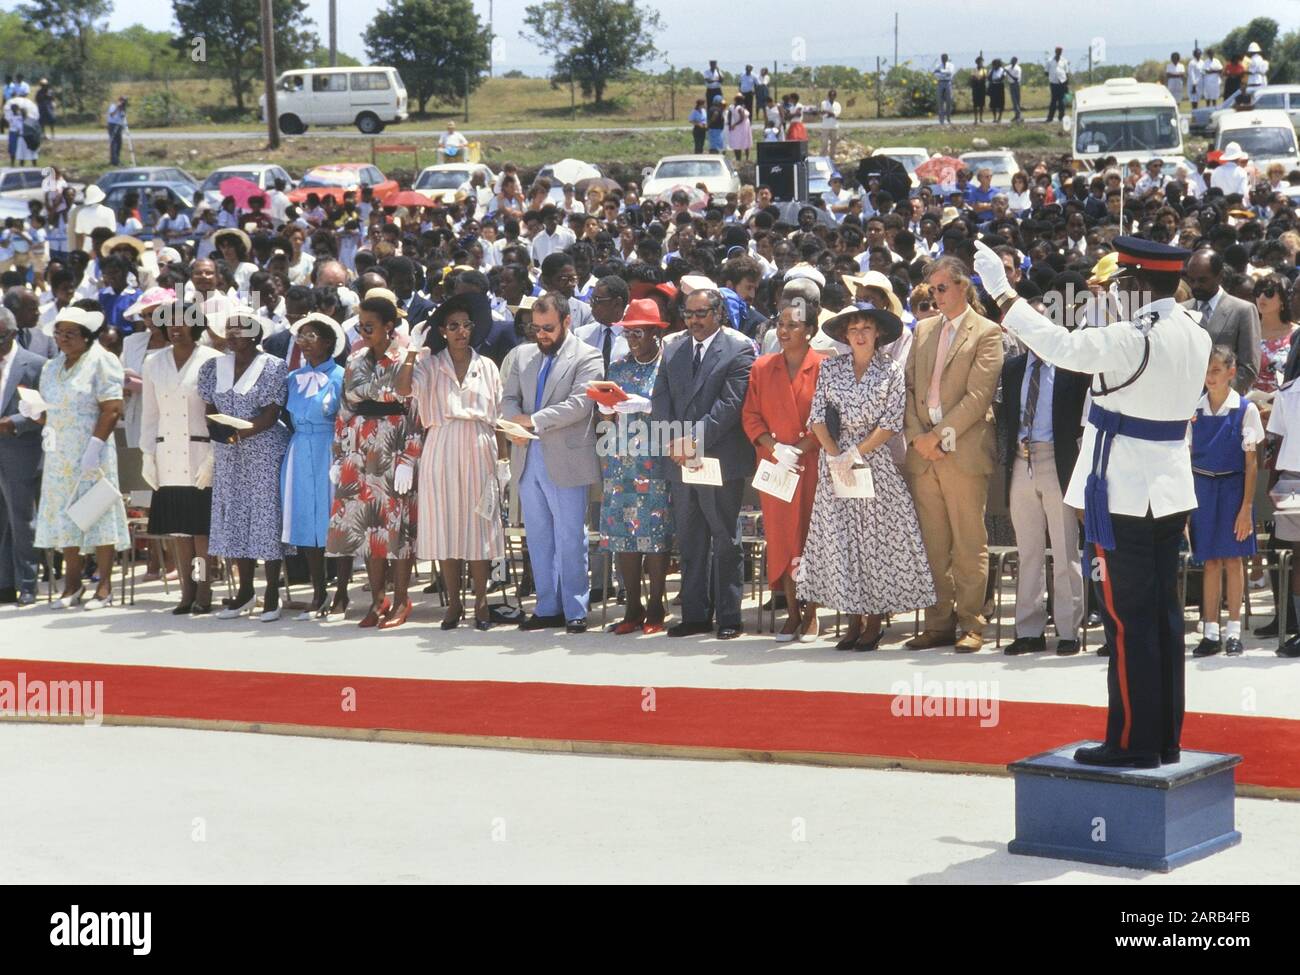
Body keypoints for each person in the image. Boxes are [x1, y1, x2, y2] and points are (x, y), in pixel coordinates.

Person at [975, 236, 1212, 768]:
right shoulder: (1192, 329)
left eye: (1116, 285)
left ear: (1133, 285)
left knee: (1126, 622)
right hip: (1169, 488)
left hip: (1124, 491)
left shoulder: (1131, 337)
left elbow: (1057, 346)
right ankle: (1163, 736)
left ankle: (1131, 742)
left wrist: (1000, 291)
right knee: (1162, 617)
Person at [798, 305, 934, 650]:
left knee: (874, 543)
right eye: (854, 329)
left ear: (878, 334)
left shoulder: (891, 371)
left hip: (873, 459)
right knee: (843, 540)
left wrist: (854, 454)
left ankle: (874, 620)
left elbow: (890, 424)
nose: (860, 334)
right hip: (836, 460)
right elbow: (816, 417)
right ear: (845, 335)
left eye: (866, 328)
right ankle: (852, 618)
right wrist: (834, 455)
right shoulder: (830, 369)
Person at [902, 257, 1004, 652]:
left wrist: (938, 438)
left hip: (961, 450)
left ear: (964, 286)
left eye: (942, 288)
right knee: (933, 544)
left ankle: (971, 622)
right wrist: (917, 437)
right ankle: (938, 622)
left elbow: (978, 397)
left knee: (967, 543)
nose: (935, 296)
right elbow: (909, 390)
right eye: (931, 290)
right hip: (924, 453)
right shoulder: (923, 329)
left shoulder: (988, 333)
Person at [651, 287, 756, 640]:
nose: (694, 321)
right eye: (689, 314)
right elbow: (661, 397)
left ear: (719, 313)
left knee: (724, 537)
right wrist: (671, 439)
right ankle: (695, 614)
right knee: (691, 538)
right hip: (681, 459)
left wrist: (691, 440)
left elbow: (729, 406)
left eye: (701, 313)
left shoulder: (739, 348)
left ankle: (729, 615)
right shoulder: (673, 347)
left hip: (719, 457)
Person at [500, 292, 603, 633]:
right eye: (536, 327)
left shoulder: (588, 355)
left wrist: (530, 421)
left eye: (548, 328)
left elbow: (580, 404)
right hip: (527, 458)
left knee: (571, 536)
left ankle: (575, 609)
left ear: (567, 322)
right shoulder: (522, 355)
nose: (541, 334)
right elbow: (508, 398)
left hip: (566, 458)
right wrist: (513, 422)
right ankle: (547, 607)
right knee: (540, 536)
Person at [326, 289, 422, 629]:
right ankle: (377, 597)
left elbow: (415, 411)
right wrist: (338, 456)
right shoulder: (354, 361)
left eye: (369, 326)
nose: (363, 333)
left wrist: (410, 459)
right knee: (369, 528)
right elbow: (345, 409)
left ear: (389, 326)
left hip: (395, 448)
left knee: (397, 529)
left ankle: (401, 599)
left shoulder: (407, 359)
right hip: (360, 450)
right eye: (360, 327)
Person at [411, 293, 506, 631]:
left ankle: (481, 601)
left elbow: (498, 419)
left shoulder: (488, 366)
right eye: (453, 326)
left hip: (479, 444)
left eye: (466, 325)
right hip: (442, 442)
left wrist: (503, 463)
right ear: (442, 330)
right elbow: (400, 388)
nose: (461, 332)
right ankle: (453, 603)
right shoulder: (429, 365)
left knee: (479, 523)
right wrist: (411, 350)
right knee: (446, 524)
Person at [998, 325, 1090, 656]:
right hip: (1021, 461)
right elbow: (1006, 419)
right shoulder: (1013, 368)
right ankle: (1029, 629)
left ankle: (1068, 629)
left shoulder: (1072, 370)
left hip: (1057, 461)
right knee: (1028, 550)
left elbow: (1083, 424)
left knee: (1065, 548)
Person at [30, 306, 129, 610]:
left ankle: (105, 586)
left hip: (92, 451)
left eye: (70, 334)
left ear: (86, 337)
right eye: (59, 333)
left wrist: (95, 447)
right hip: (59, 453)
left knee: (96, 512)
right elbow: (51, 412)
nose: (62, 339)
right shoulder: (51, 367)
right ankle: (71, 585)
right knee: (65, 516)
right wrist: (35, 414)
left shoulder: (103, 361)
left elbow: (112, 408)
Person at [198, 308, 290, 622]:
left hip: (264, 449)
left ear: (255, 333)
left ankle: (272, 595)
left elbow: (271, 413)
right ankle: (245, 592)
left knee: (265, 516)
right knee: (234, 516)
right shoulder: (213, 367)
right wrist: (222, 433)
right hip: (228, 451)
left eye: (242, 330)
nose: (235, 336)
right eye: (230, 330)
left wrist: (240, 432)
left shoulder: (273, 366)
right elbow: (210, 408)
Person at [741, 298, 824, 641]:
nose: (785, 331)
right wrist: (775, 448)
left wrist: (800, 448)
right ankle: (791, 612)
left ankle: (812, 613)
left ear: (811, 331)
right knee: (781, 539)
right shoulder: (762, 367)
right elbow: (751, 415)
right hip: (775, 466)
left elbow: (827, 417)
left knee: (811, 537)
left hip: (812, 464)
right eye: (781, 324)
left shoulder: (824, 367)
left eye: (794, 325)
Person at [594, 298, 674, 634]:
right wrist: (607, 407)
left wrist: (648, 404)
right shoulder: (619, 367)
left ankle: (656, 606)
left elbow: (675, 407)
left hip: (655, 458)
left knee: (654, 536)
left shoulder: (667, 365)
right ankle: (632, 607)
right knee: (624, 534)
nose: (632, 339)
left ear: (656, 333)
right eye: (628, 334)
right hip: (620, 460)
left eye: (638, 333)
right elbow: (606, 415)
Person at [139, 301, 223, 615]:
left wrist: (214, 457)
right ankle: (185, 592)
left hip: (201, 451)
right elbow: (150, 414)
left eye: (183, 322)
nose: (176, 328)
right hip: (167, 452)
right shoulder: (153, 363)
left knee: (200, 529)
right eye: (169, 323)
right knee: (178, 530)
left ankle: (204, 589)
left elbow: (218, 414)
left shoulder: (212, 360)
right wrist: (147, 453)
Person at [1188, 347, 1261, 658]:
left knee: (1233, 560)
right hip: (1202, 490)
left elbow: (1252, 462)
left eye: (1216, 370)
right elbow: (1186, 457)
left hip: (1233, 489)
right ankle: (1210, 631)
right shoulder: (1195, 410)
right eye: (1206, 371)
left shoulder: (1245, 409)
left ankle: (1233, 631)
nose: (1210, 377)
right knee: (1210, 561)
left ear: (1232, 372)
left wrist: (1246, 507)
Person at [280, 313, 347, 620]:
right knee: (307, 519)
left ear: (329, 342)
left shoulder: (341, 376)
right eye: (301, 336)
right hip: (299, 448)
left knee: (336, 520)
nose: (304, 343)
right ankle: (318, 591)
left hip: (328, 448)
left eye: (311, 336)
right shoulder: (292, 379)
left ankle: (342, 592)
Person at [0, 306, 45, 605]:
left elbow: (44, 411)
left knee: (22, 521)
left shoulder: (35, 365)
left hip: (20, 452)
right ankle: (4, 584)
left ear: (13, 334)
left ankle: (27, 583)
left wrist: (13, 422)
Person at [1182, 248, 1260, 394]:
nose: (1195, 285)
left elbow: (1249, 368)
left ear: (1220, 277)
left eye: (1202, 280)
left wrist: (1216, 397)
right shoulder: (1181, 311)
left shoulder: (1242, 310)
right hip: (1183, 402)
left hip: (1222, 406)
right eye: (1191, 280)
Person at [1045, 46, 1070, 124]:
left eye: (1060, 51)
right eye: (1058, 51)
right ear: (1055, 51)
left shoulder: (1064, 60)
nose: (1059, 52)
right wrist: (1052, 76)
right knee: (1053, 101)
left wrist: (1066, 84)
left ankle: (1061, 117)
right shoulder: (1049, 60)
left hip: (1062, 82)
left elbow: (1067, 72)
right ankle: (1050, 117)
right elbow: (1046, 72)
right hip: (1054, 83)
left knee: (1061, 101)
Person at [727, 95, 752, 163]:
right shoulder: (738, 108)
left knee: (740, 141)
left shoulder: (733, 107)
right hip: (741, 125)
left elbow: (731, 116)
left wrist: (731, 124)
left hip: (739, 125)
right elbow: (741, 118)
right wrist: (732, 124)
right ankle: (741, 158)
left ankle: (741, 158)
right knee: (742, 141)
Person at [818, 89, 841, 158]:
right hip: (825, 126)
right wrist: (830, 113)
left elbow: (837, 114)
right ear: (828, 96)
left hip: (834, 126)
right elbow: (822, 114)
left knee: (833, 143)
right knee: (824, 143)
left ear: (835, 96)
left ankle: (832, 157)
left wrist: (828, 112)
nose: (832, 96)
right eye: (831, 95)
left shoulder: (837, 104)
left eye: (833, 95)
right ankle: (822, 157)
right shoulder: (824, 103)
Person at [933, 55, 955, 125]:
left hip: (948, 83)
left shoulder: (951, 65)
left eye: (945, 58)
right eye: (942, 58)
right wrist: (944, 73)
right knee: (940, 101)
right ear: (941, 59)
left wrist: (941, 71)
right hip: (940, 83)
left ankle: (948, 118)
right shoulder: (938, 65)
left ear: (947, 59)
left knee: (949, 101)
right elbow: (936, 74)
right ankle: (941, 120)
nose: (944, 59)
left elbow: (950, 72)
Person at [106, 96, 127, 167]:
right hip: (112, 125)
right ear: (119, 100)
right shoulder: (113, 106)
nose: (123, 102)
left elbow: (122, 117)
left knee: (119, 143)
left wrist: (122, 109)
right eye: (122, 100)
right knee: (114, 143)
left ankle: (117, 159)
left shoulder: (123, 108)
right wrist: (117, 108)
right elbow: (112, 114)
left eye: (124, 101)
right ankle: (114, 161)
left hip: (119, 126)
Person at [969, 57, 987, 125]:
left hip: (982, 88)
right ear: (977, 63)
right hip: (976, 88)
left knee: (981, 104)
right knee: (975, 104)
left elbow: (985, 77)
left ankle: (981, 118)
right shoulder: (974, 70)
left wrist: (982, 70)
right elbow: (972, 78)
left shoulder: (984, 70)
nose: (981, 63)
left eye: (982, 62)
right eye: (979, 62)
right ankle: (975, 119)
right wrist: (978, 79)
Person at [988, 59, 1006, 124]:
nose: (994, 66)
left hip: (999, 87)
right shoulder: (991, 70)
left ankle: (999, 118)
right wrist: (992, 71)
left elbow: (1002, 78)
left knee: (1000, 103)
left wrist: (995, 80)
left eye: (995, 64)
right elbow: (989, 78)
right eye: (993, 64)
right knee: (993, 103)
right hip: (993, 87)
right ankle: (994, 118)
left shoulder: (1002, 70)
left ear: (999, 64)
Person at [1007, 56, 1023, 122]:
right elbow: (1004, 69)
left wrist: (1008, 73)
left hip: (1016, 84)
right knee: (1014, 101)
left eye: (1013, 60)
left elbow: (1016, 79)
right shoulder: (1009, 67)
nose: (1011, 61)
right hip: (1011, 84)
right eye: (1011, 60)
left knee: (1016, 100)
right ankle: (1017, 116)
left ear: (1016, 61)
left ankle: (1019, 116)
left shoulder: (1018, 68)